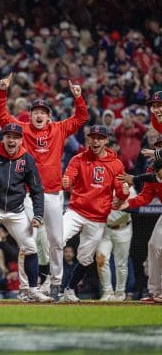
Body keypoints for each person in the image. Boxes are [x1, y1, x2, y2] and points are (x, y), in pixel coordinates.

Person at [0, 73, 88, 301]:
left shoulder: (58, 129)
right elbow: (1, 115)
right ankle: (26, 288)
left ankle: (55, 283)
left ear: (48, 116)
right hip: (27, 194)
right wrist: (3, 91)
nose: (39, 115)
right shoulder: (22, 129)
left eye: (43, 113)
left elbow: (81, 118)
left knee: (57, 240)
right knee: (28, 241)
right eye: (36, 112)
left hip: (53, 194)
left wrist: (78, 97)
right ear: (31, 115)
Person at [0, 123, 53, 303]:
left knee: (30, 246)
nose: (11, 140)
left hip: (16, 209)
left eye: (15, 137)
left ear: (21, 140)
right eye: (8, 136)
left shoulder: (27, 159)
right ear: (3, 138)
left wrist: (37, 215)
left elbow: (37, 189)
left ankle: (32, 290)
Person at [61, 125, 129, 302]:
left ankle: (69, 290)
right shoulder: (78, 159)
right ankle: (48, 285)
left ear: (106, 140)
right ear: (88, 140)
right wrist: (66, 182)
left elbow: (121, 193)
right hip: (76, 211)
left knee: (85, 258)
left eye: (100, 138)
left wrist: (125, 192)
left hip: (97, 218)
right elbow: (68, 181)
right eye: (93, 137)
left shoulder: (116, 164)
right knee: (56, 240)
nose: (96, 140)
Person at [116, 160, 162, 303]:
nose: (159, 177)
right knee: (154, 245)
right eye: (157, 174)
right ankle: (155, 292)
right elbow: (145, 196)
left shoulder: (151, 175)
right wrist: (127, 204)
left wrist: (136, 178)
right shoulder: (152, 173)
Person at [96, 188, 135, 302]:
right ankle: (107, 291)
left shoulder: (128, 188)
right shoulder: (102, 185)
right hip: (105, 228)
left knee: (121, 263)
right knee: (101, 259)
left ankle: (120, 292)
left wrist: (122, 204)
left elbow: (136, 207)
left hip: (123, 228)